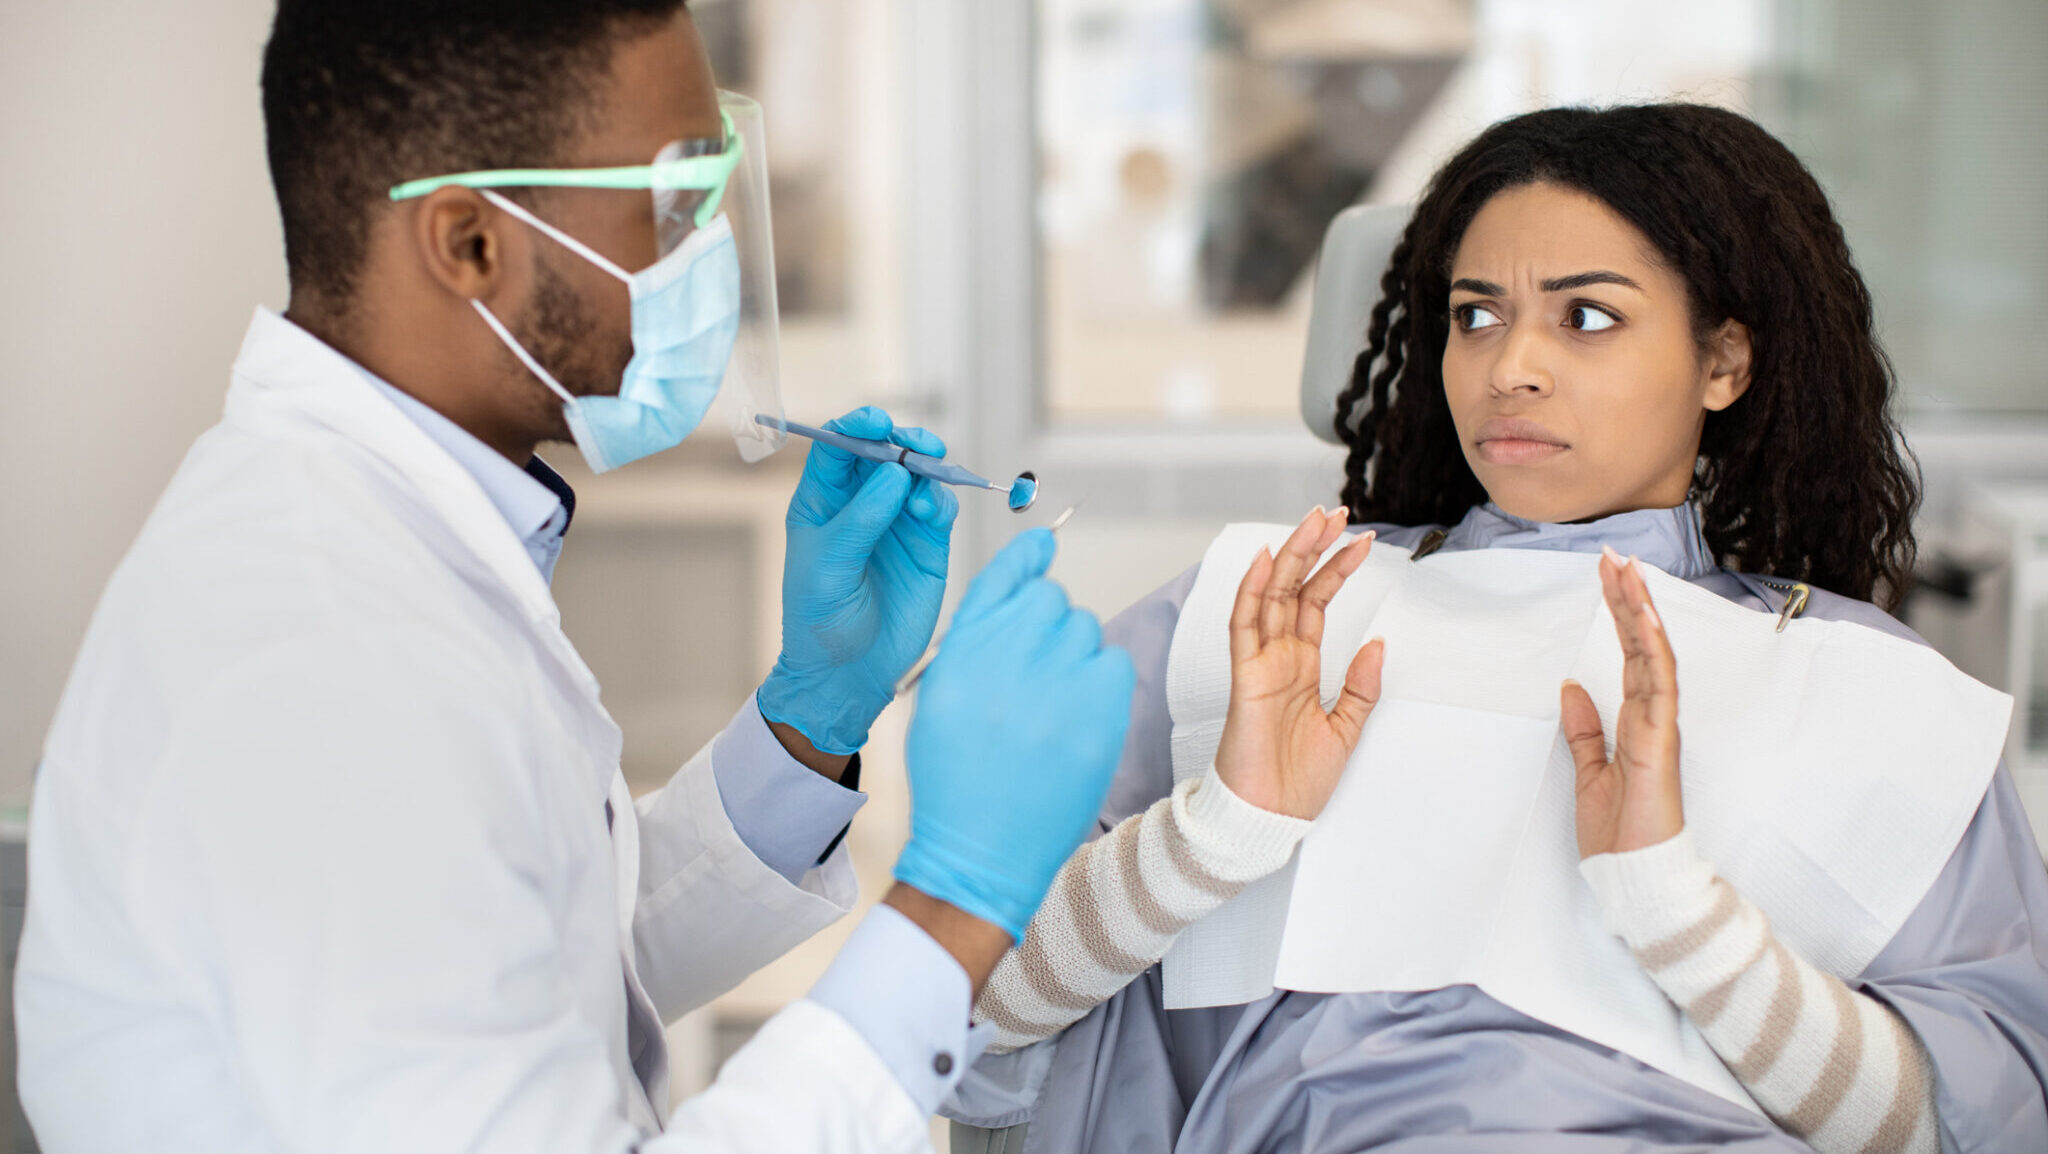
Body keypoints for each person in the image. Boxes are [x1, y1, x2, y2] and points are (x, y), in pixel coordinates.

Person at [14, 4, 1136, 1153]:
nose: (711, 252)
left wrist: (811, 720)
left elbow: (544, 959)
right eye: (670, 204)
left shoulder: (388, 546)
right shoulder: (322, 656)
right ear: (468, 243)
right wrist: (953, 902)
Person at [943, 104, 2048, 1152]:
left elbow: (1964, 1124)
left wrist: (1674, 911)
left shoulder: (1850, 680)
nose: (1509, 366)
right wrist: (1213, 831)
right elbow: (954, 1004)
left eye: (1587, 316)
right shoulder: (1265, 610)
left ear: (1722, 361)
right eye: (1475, 314)